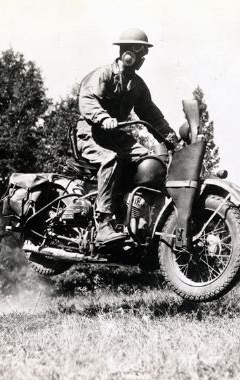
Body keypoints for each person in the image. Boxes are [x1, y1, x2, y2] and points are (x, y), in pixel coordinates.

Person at [76, 28, 179, 245]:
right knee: (111, 159)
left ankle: (135, 218)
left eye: (144, 52)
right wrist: (103, 118)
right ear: (126, 51)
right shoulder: (104, 74)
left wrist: (170, 136)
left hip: (114, 135)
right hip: (90, 133)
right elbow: (87, 100)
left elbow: (151, 114)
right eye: (138, 50)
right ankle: (103, 223)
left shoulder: (137, 85)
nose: (142, 57)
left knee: (150, 162)